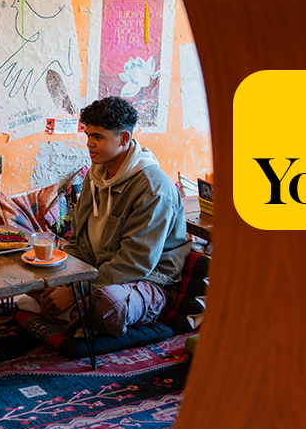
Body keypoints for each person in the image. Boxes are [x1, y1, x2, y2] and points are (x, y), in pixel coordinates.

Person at [18, 96, 193, 339]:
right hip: (95, 272)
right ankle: (72, 315)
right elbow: (78, 242)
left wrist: (74, 292)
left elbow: (135, 264)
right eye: (88, 135)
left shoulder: (154, 189)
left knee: (108, 305)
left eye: (98, 137)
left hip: (146, 281)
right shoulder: (94, 175)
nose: (89, 144)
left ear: (124, 138)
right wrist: (63, 277)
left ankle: (69, 313)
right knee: (33, 270)